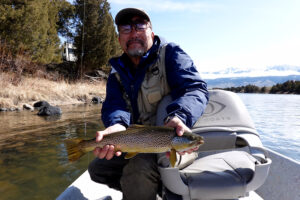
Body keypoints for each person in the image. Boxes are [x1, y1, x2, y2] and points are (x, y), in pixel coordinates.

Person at [88, 8, 209, 200]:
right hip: (136, 141)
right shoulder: (116, 73)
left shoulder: (170, 54)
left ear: (151, 33)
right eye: (126, 28)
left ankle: (153, 187)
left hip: (170, 141)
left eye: (140, 26)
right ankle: (150, 189)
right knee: (97, 169)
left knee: (138, 170)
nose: (134, 32)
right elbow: (114, 105)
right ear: (119, 39)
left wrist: (179, 116)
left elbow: (194, 88)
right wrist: (117, 125)